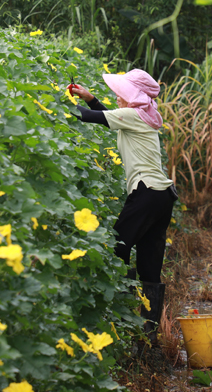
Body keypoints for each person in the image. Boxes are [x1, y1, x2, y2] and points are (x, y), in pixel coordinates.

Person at [71, 69, 176, 339]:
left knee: (118, 248)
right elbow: (108, 118)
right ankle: (147, 335)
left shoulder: (131, 115)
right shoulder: (143, 115)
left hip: (145, 193)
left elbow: (89, 117)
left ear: (134, 97)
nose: (118, 97)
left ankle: (123, 319)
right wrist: (91, 97)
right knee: (149, 266)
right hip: (162, 197)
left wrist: (52, 105)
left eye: (123, 93)